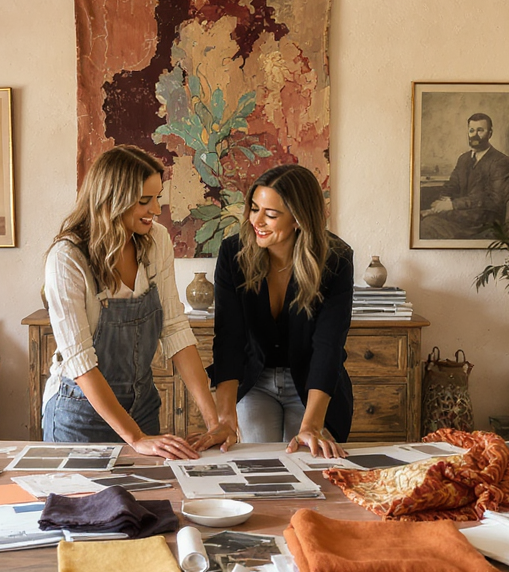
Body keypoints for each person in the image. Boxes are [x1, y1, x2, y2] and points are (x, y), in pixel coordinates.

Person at [41, 145, 229, 458]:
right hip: (80, 416)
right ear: (111, 200)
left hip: (142, 409)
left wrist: (213, 422)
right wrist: (136, 438)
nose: (156, 209)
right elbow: (81, 362)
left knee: (145, 505)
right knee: (85, 507)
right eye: (145, 201)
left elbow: (175, 329)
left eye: (158, 197)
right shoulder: (67, 259)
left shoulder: (157, 240)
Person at [195, 164, 354, 458]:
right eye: (254, 208)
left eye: (270, 214)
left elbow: (329, 346)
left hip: (310, 383)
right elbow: (229, 338)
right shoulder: (233, 254)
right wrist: (225, 418)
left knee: (306, 461)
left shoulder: (336, 260)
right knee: (258, 463)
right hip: (255, 381)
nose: (257, 221)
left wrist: (313, 425)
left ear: (298, 218)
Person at [419, 112, 509, 240]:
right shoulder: (463, 159)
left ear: (490, 133)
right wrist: (443, 201)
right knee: (423, 220)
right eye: (471, 130)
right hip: (461, 216)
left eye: (480, 130)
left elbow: (494, 200)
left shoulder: (500, 161)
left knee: (427, 225)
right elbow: (452, 184)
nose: (475, 135)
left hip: (483, 222)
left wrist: (453, 205)